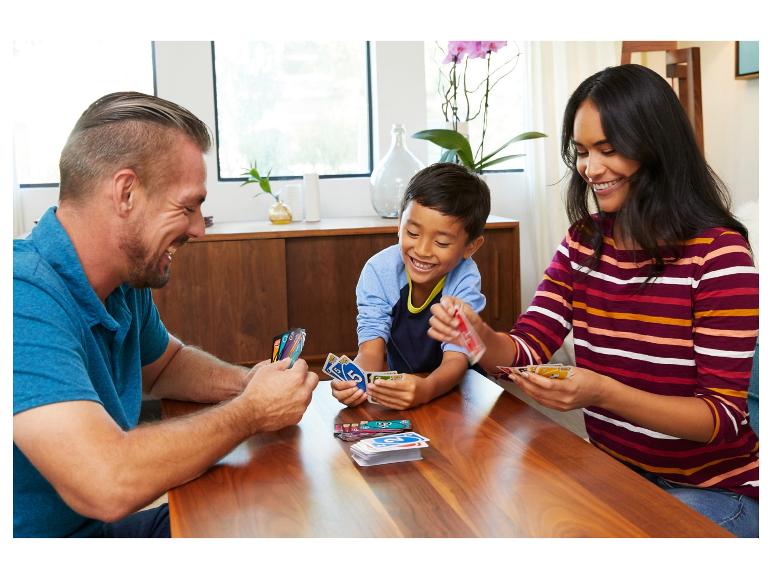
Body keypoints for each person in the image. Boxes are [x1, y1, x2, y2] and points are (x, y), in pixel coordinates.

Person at [429, 64, 759, 537]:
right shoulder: (583, 243)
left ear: (657, 149)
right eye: (582, 152)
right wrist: (480, 338)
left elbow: (723, 420)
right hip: (618, 474)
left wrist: (601, 391)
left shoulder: (720, 257)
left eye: (609, 150)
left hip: (717, 491)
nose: (590, 169)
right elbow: (526, 348)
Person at [13, 92, 319, 538]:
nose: (198, 227)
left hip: (97, 531)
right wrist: (250, 411)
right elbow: (105, 482)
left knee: (270, 512)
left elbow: (166, 365)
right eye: (187, 206)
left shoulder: (123, 278)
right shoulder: (21, 295)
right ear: (126, 192)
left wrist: (248, 382)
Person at [331, 163, 489, 410]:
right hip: (404, 392)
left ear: (471, 246)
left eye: (441, 242)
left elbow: (457, 359)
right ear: (399, 224)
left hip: (460, 393)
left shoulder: (464, 279)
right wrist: (355, 380)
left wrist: (426, 389)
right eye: (413, 233)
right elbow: (371, 351)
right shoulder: (379, 271)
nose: (423, 250)